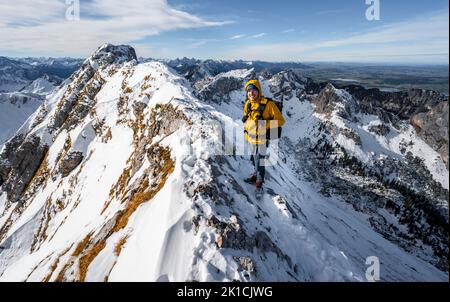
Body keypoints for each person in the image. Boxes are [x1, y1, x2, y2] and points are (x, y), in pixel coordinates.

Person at [242, 79, 285, 192]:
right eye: (249, 91)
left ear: (258, 91)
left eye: (253, 90)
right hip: (251, 137)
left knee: (259, 160)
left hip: (262, 138)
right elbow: (247, 116)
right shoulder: (248, 104)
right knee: (252, 159)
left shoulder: (269, 104)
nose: (251, 93)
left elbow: (281, 121)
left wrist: (264, 124)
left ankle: (259, 185)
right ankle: (255, 176)